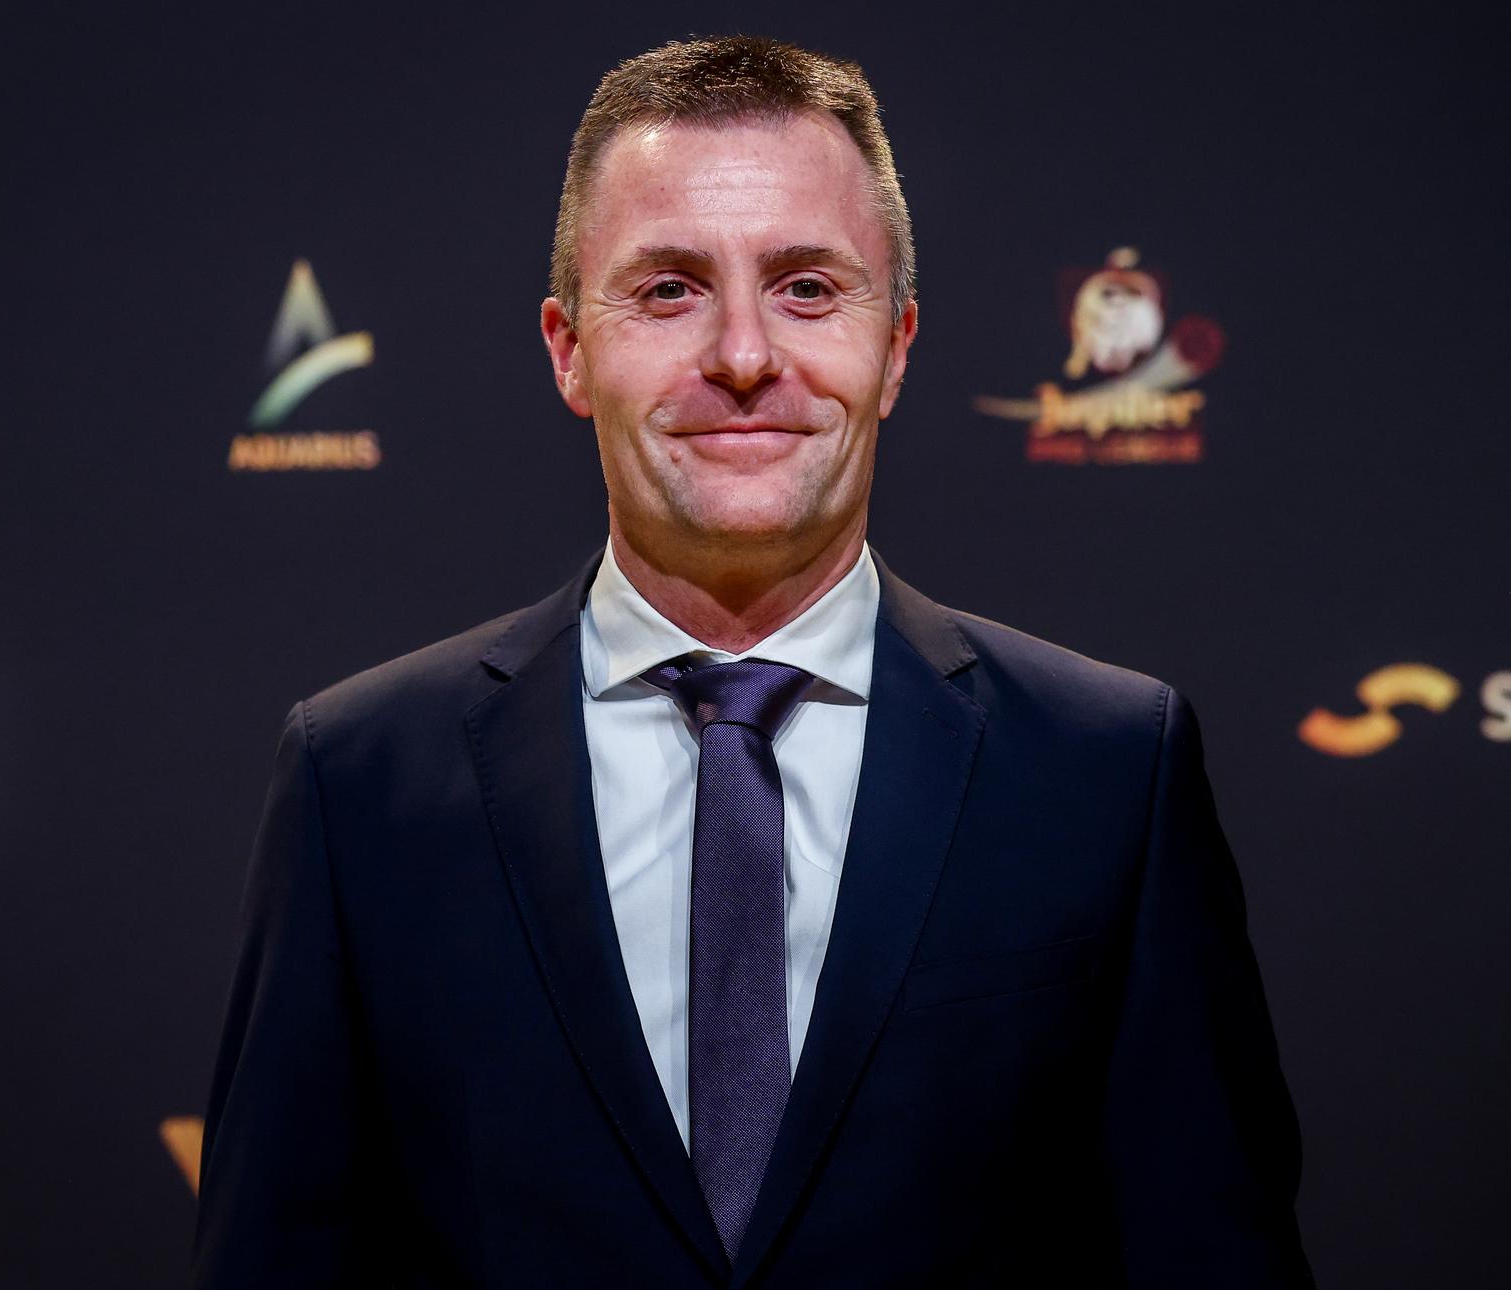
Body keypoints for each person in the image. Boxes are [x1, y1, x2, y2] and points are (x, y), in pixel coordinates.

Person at [193, 35, 1314, 1289]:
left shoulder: (1109, 770)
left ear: (895, 345)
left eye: (807, 288)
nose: (742, 355)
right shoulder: (362, 781)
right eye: (669, 289)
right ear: (569, 349)